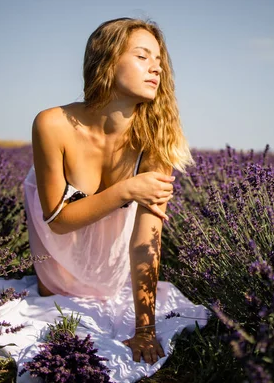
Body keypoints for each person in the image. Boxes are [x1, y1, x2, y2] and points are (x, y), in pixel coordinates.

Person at [23, 17, 193, 366]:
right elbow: (57, 220)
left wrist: (145, 328)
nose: (155, 68)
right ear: (106, 61)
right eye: (143, 57)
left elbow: (147, 242)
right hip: (56, 257)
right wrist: (127, 189)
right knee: (53, 314)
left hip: (112, 266)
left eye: (159, 61)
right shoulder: (52, 124)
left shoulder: (155, 142)